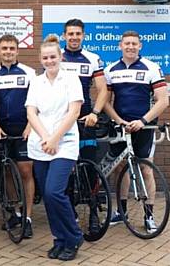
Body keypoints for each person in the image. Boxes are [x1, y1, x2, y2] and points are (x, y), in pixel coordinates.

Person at [102, 30, 169, 232]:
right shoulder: (110, 70)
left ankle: (149, 215)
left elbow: (163, 100)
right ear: (120, 46)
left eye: (134, 44)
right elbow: (104, 102)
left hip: (144, 126)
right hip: (121, 126)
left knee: (146, 169)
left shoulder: (151, 68)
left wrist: (142, 120)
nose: (130, 46)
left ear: (140, 46)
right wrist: (119, 120)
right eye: (127, 43)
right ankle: (121, 213)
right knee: (121, 168)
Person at [25, 34, 84, 261]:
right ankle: (60, 240)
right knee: (48, 197)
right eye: (45, 58)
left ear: (60, 57)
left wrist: (55, 138)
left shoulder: (71, 79)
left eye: (53, 57)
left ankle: (74, 236)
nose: (49, 61)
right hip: (40, 144)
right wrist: (46, 137)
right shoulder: (36, 81)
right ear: (41, 60)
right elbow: (31, 112)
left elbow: (74, 111)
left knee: (54, 191)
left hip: (65, 142)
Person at [0, 34, 36, 238]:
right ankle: (15, 212)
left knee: (25, 171)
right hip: (3, 130)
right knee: (6, 171)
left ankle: (28, 217)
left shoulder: (30, 73)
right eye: (4, 48)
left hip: (24, 128)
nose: (8, 51)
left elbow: (35, 102)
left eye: (11, 48)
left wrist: (31, 125)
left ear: (17, 50)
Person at [60, 18, 109, 233]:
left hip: (85, 120)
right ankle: (70, 213)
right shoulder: (57, 57)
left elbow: (103, 89)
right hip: (61, 121)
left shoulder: (92, 58)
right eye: (70, 34)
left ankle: (93, 213)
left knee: (90, 167)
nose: (74, 37)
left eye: (77, 34)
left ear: (83, 36)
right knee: (66, 170)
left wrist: (96, 113)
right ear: (64, 36)